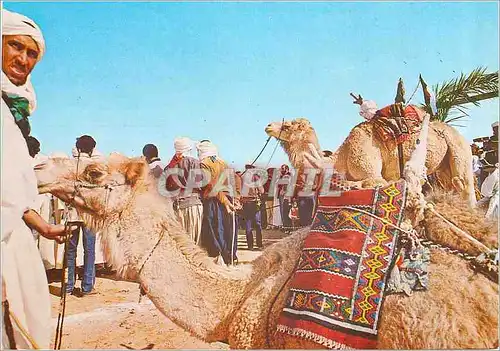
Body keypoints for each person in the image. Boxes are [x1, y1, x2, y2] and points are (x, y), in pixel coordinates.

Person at [1, 9, 71, 349]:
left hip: (13, 241)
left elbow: (10, 188)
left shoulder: (13, 112)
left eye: (32, 54)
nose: (24, 59)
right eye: (15, 46)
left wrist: (42, 225)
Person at [65, 135, 103, 296]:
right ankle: (87, 286)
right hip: (89, 214)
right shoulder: (96, 167)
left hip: (72, 213)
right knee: (89, 250)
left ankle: (68, 286)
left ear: (78, 148)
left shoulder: (70, 166)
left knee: (71, 251)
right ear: (92, 148)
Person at [197, 140, 238, 265]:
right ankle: (230, 257)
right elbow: (235, 179)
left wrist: (224, 200)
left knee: (215, 229)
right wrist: (235, 198)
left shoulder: (204, 163)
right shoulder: (223, 162)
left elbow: (210, 185)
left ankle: (219, 258)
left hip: (215, 200)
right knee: (228, 229)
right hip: (228, 198)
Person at [164, 137, 204, 245]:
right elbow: (200, 183)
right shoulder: (193, 162)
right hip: (193, 205)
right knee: (194, 243)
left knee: (183, 243)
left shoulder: (169, 167)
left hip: (177, 207)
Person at [241, 164, 265, 250]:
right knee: (258, 224)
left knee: (248, 224)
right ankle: (259, 244)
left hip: (245, 203)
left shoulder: (241, 177)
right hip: (254, 203)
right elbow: (262, 190)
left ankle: (250, 246)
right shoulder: (255, 178)